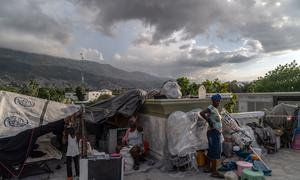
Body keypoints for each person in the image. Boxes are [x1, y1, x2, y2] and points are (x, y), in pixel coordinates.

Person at [200, 94, 224, 179]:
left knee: (211, 150)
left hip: (215, 132)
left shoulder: (215, 109)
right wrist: (209, 120)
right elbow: (202, 113)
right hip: (213, 132)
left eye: (219, 101)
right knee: (215, 151)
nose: (218, 103)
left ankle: (207, 167)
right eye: (217, 101)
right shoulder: (211, 107)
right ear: (213, 101)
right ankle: (214, 172)